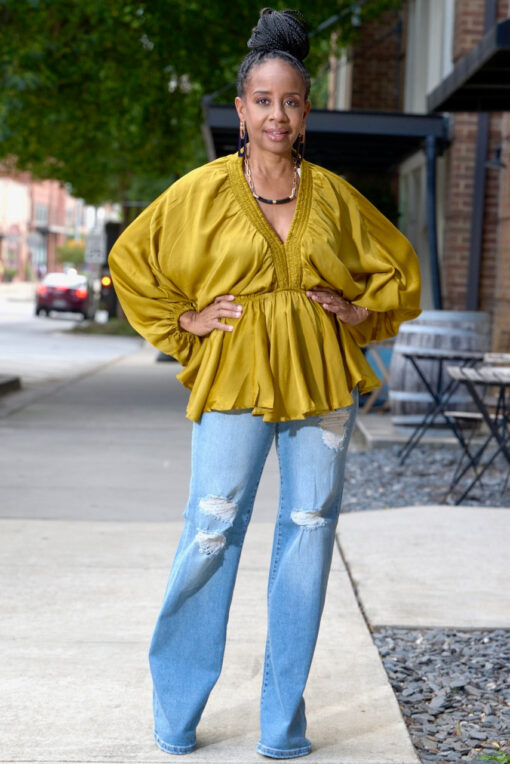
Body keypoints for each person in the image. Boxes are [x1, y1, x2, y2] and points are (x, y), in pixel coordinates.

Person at [108, 7, 421, 758]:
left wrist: (359, 310)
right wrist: (183, 321)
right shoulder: (203, 192)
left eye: (290, 101)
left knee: (308, 536)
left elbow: (399, 272)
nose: (276, 114)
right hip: (235, 378)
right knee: (212, 530)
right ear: (241, 111)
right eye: (263, 100)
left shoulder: (335, 196)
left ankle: (283, 724)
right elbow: (131, 259)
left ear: (304, 112)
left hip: (321, 383)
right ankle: (178, 710)